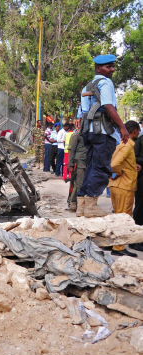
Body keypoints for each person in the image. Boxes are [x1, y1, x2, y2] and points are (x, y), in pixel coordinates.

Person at [77, 54, 130, 218]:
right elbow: (108, 105)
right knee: (101, 167)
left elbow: (82, 112)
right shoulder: (105, 83)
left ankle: (81, 205)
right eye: (108, 67)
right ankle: (92, 205)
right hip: (103, 132)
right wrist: (122, 127)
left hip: (89, 131)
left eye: (112, 66)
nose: (112, 69)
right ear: (99, 68)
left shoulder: (87, 86)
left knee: (91, 166)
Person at [108, 121, 140, 256]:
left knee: (117, 216)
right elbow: (114, 164)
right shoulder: (128, 146)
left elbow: (119, 162)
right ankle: (119, 247)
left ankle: (113, 243)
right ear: (135, 131)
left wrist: (132, 167)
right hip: (124, 186)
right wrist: (121, 172)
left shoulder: (122, 144)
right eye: (139, 130)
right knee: (123, 217)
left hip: (117, 186)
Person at [68, 129, 87, 214]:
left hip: (87, 162)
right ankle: (79, 207)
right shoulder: (76, 135)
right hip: (79, 163)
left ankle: (74, 203)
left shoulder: (90, 134)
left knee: (81, 184)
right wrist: (70, 164)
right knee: (79, 184)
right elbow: (71, 150)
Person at [131, 123, 143, 251]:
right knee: (140, 208)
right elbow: (134, 157)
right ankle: (135, 240)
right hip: (141, 176)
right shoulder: (139, 139)